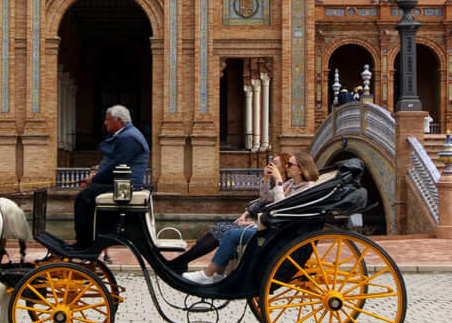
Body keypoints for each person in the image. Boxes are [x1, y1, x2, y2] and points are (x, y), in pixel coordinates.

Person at [178, 152, 318, 281]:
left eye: (290, 164)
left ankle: (208, 274)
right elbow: (265, 198)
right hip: (271, 227)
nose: (287, 167)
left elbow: (281, 209)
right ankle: (215, 273)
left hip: (279, 233)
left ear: (301, 169)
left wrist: (279, 182)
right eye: (286, 164)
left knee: (231, 234)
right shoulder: (292, 184)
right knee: (226, 231)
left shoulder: (306, 190)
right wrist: (266, 179)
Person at [71, 104, 149, 250]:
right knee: (89, 193)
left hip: (125, 187)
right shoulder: (127, 134)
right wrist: (98, 171)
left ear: (118, 120)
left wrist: (93, 179)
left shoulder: (128, 138)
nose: (105, 123)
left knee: (83, 197)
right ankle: (88, 241)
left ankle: (83, 243)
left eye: (107, 120)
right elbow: (114, 163)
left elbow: (116, 166)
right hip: (123, 183)